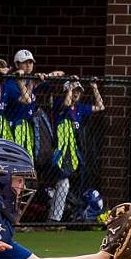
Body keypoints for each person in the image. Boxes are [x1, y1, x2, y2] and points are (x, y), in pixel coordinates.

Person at [47, 79, 105, 224]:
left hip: (72, 154)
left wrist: (94, 87)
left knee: (65, 185)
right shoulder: (60, 104)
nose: (76, 94)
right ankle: (53, 218)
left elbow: (100, 106)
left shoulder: (79, 108)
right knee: (63, 183)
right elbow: (66, 104)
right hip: (58, 152)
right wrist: (69, 89)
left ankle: (55, 215)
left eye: (78, 91)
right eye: (74, 91)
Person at [2, 50, 62, 157]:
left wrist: (46, 76)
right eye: (24, 62)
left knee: (29, 157)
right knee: (16, 157)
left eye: (30, 62)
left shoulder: (31, 79)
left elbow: (61, 74)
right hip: (14, 126)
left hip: (29, 126)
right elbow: (26, 100)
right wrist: (26, 82)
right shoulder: (10, 83)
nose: (28, 65)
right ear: (16, 64)